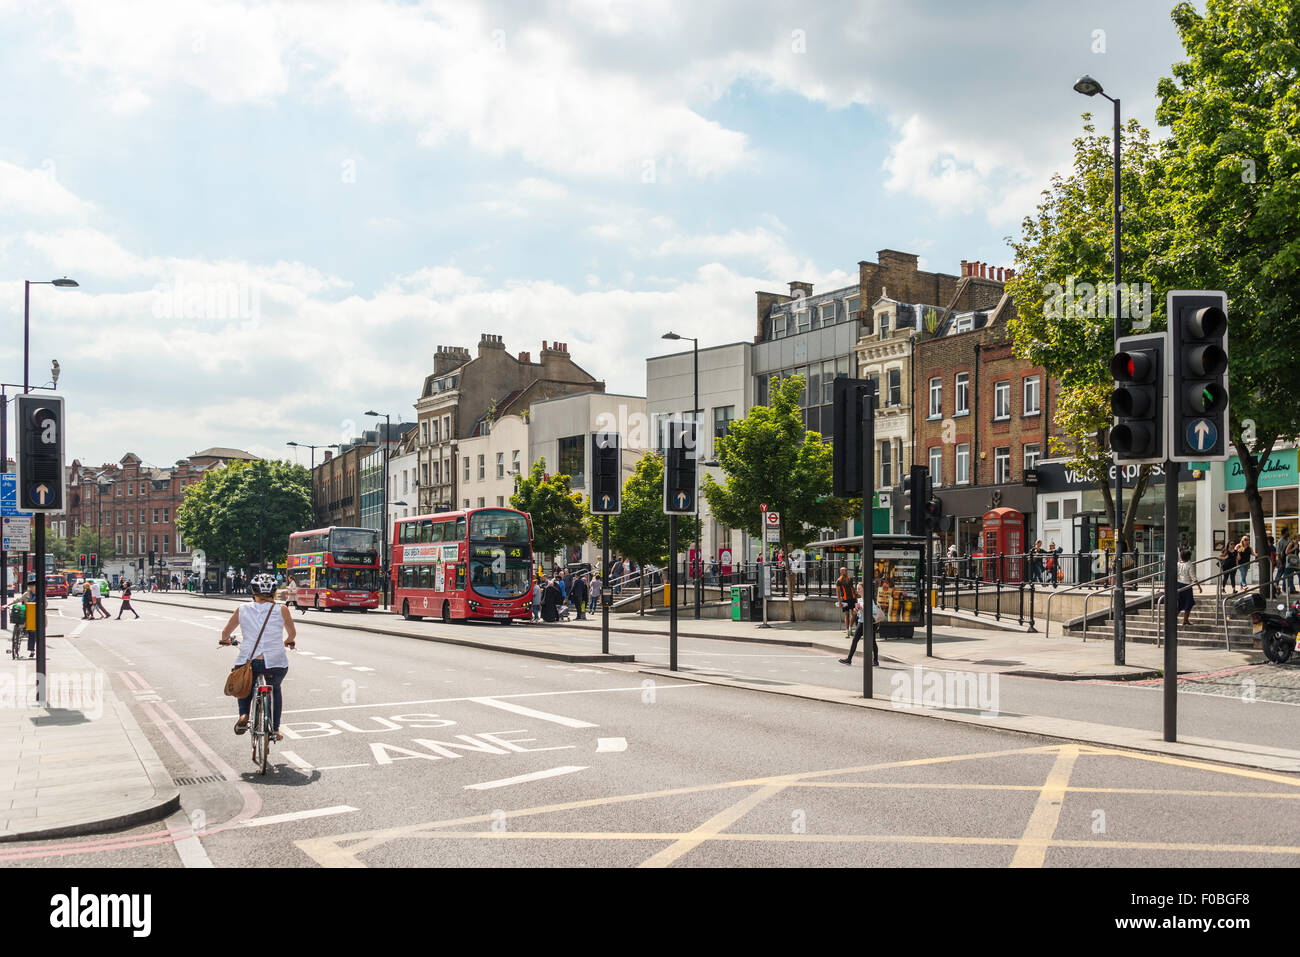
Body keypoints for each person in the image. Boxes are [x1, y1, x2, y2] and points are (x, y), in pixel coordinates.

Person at [219, 573, 296, 741]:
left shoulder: (242, 609)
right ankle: (274, 730)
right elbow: (292, 634)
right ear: (274, 592)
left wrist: (225, 640)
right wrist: (288, 641)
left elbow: (225, 632)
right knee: (275, 689)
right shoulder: (282, 609)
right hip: (275, 662)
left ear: (253, 592)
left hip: (249, 661)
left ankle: (244, 715)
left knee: (244, 687)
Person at [840, 581, 879, 667]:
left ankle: (875, 660)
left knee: (872, 642)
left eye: (859, 589)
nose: (858, 590)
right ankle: (849, 659)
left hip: (869, 623)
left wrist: (862, 608)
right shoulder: (860, 599)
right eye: (857, 589)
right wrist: (856, 611)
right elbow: (860, 612)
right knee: (854, 640)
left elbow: (874, 611)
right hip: (861, 622)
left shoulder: (869, 599)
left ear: (864, 589)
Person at [7, 581, 38, 658]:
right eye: (30, 587)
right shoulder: (26, 594)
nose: (31, 588)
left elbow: (45, 603)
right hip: (25, 615)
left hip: (35, 616)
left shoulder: (40, 594)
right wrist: (7, 605)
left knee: (32, 632)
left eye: (32, 586)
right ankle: (22, 633)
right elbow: (18, 600)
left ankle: (32, 650)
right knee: (22, 625)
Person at [1176, 548, 1201, 627]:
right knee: (1189, 603)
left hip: (1179, 584)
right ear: (1189, 557)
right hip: (1187, 586)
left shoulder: (1178, 564)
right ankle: (1185, 620)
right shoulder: (1189, 564)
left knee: (1179, 603)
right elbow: (1193, 577)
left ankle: (1173, 619)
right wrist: (1199, 587)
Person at [835, 567, 856, 638]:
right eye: (844, 571)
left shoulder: (850, 579)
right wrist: (839, 601)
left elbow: (852, 588)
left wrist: (855, 598)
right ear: (841, 572)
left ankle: (850, 628)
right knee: (847, 614)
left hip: (852, 599)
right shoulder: (839, 581)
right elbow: (837, 591)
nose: (846, 572)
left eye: (846, 570)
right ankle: (847, 631)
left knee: (854, 613)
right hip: (845, 599)